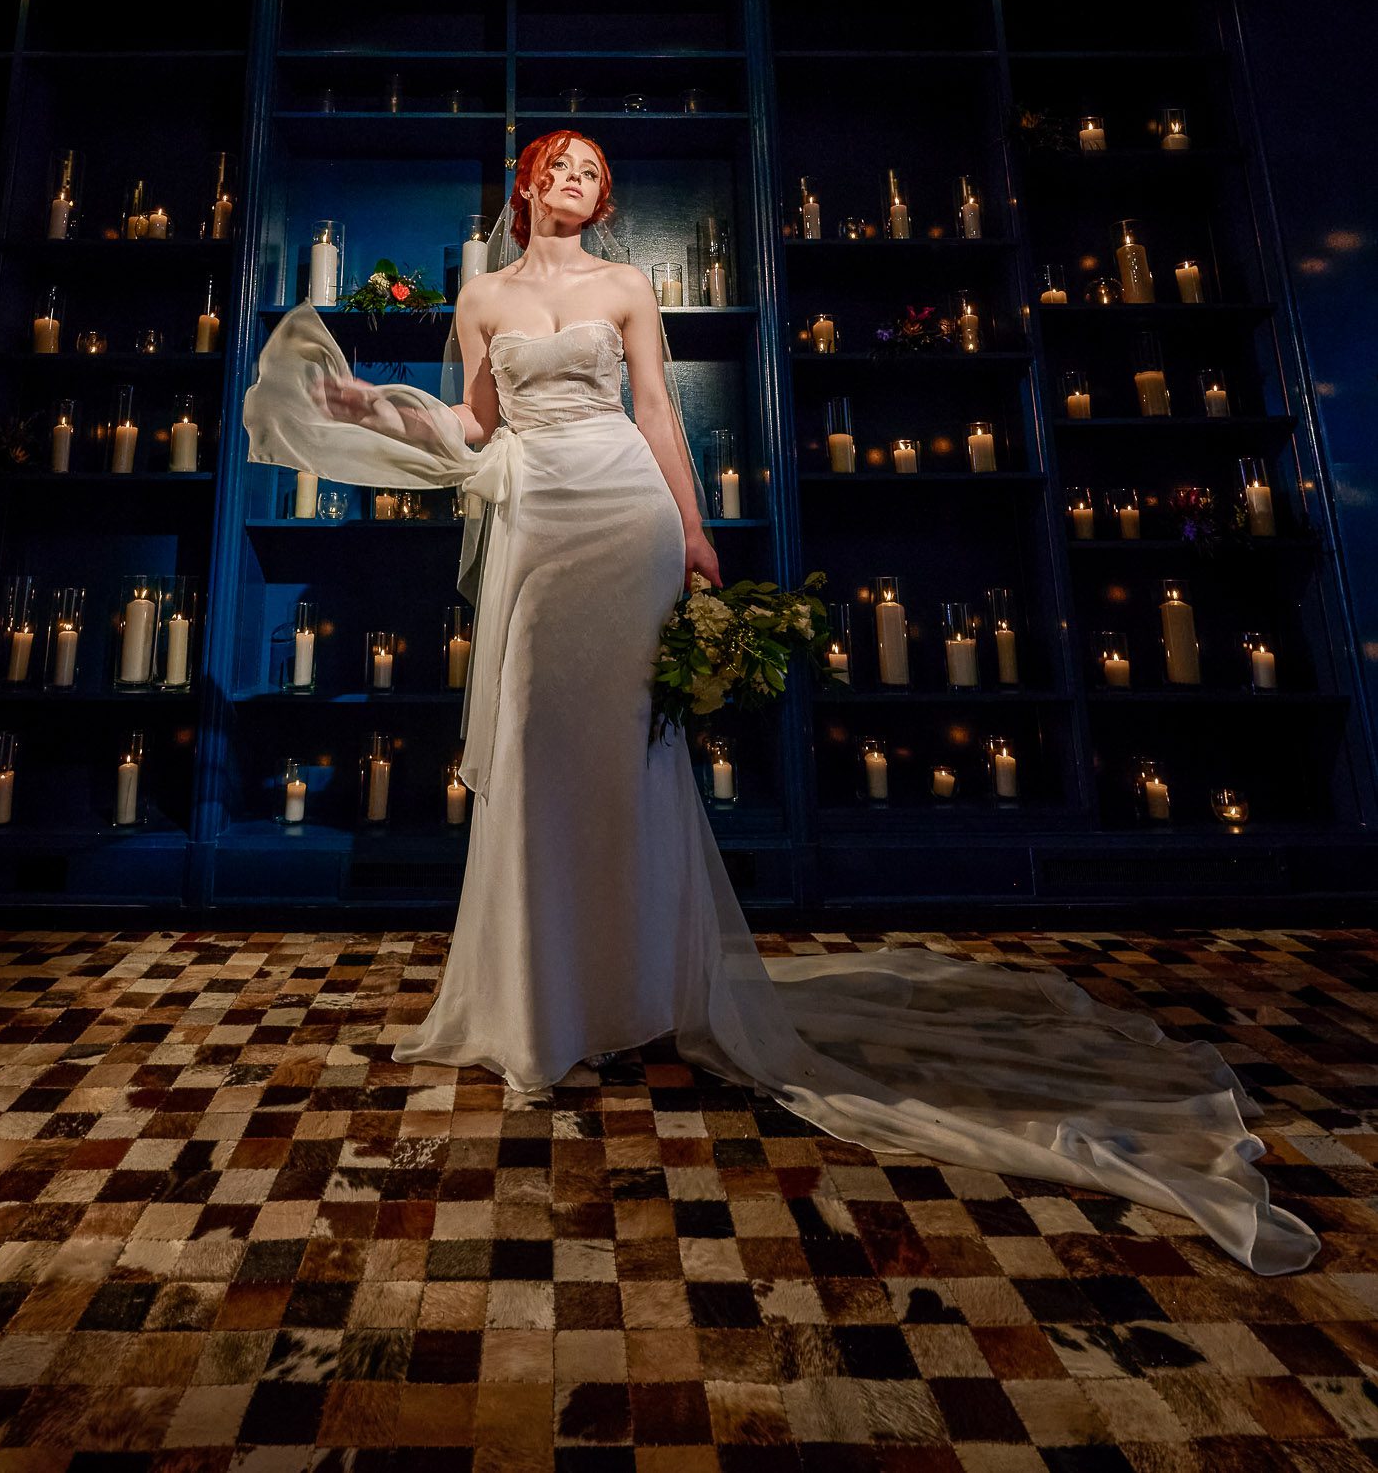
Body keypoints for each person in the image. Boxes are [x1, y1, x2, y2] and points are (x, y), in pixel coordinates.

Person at [243, 129, 1318, 1276]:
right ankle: (540, 1000)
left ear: (606, 200)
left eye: (594, 174)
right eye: (561, 167)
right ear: (528, 182)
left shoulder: (625, 286)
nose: (576, 184)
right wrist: (363, 404)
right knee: (540, 743)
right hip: (538, 521)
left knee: (635, 750)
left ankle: (647, 984)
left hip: (624, 514)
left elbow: (657, 412)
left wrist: (696, 531)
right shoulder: (483, 294)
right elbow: (471, 429)